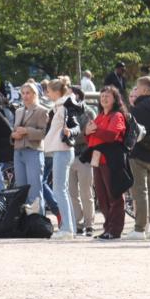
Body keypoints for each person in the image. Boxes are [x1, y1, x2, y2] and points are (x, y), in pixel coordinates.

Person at [82, 86, 132, 240]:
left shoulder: (117, 116)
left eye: (107, 96)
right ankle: (107, 228)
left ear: (115, 99)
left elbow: (111, 136)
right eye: (102, 96)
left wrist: (95, 130)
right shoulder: (100, 116)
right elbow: (90, 138)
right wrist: (87, 133)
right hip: (98, 160)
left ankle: (115, 230)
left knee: (114, 195)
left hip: (112, 160)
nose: (104, 98)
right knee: (102, 197)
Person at [43, 79, 84, 240]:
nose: (47, 94)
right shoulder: (59, 106)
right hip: (61, 150)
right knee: (62, 190)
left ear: (56, 92)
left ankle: (67, 228)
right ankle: (69, 227)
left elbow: (76, 126)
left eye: (48, 91)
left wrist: (70, 132)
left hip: (63, 150)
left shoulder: (65, 106)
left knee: (59, 190)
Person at [125, 77, 150, 240]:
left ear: (143, 89)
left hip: (138, 152)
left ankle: (140, 228)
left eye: (137, 87)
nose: (135, 90)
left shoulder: (137, 109)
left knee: (140, 191)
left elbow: (132, 132)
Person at [10, 83, 48, 213]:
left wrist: (27, 131)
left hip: (33, 152)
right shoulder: (18, 111)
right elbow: (14, 131)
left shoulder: (42, 111)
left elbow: (43, 133)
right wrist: (13, 135)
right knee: (22, 191)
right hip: (18, 152)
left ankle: (38, 220)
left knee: (35, 191)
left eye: (28, 93)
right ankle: (25, 221)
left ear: (35, 94)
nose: (25, 96)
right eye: (23, 93)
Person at [67, 87, 97, 236]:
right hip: (68, 156)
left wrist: (74, 135)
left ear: (77, 96)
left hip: (84, 156)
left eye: (68, 93)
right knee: (72, 193)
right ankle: (78, 224)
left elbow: (90, 134)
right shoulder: (64, 112)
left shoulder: (89, 113)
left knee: (86, 193)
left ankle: (89, 224)